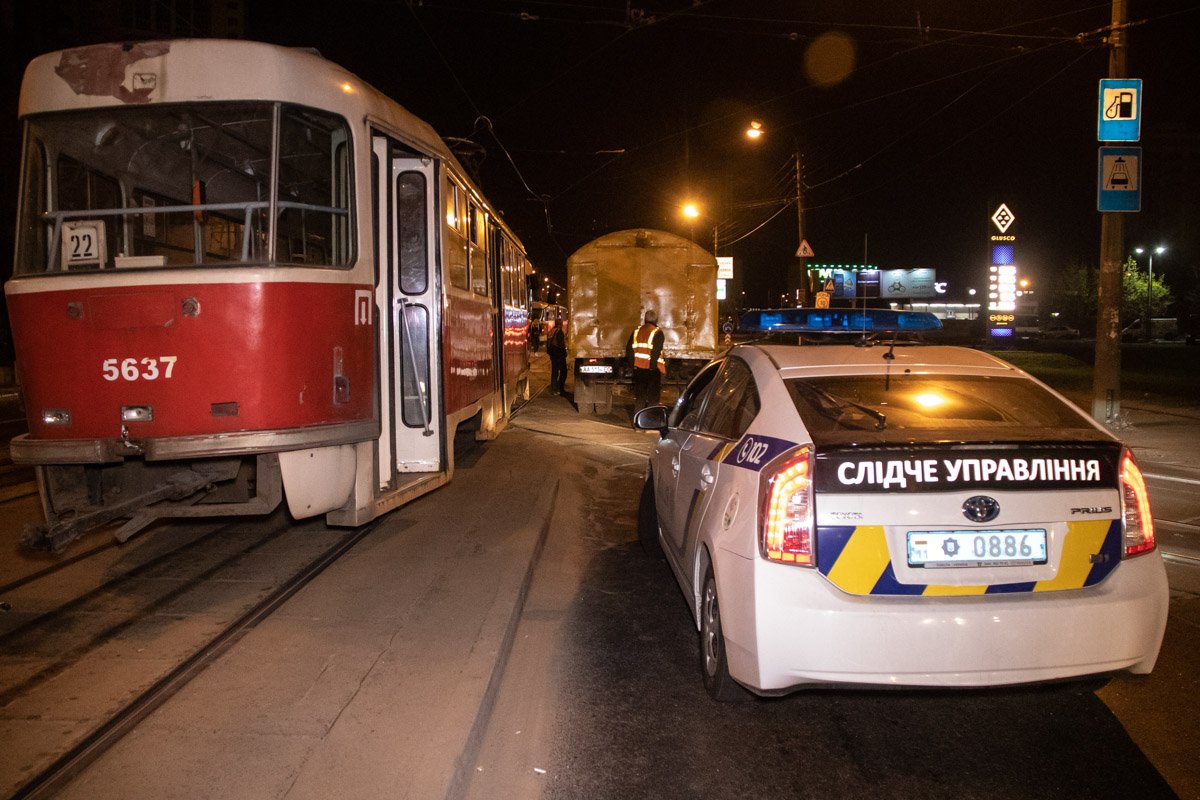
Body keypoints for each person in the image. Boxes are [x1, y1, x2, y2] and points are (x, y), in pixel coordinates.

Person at [625, 309, 666, 420]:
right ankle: (651, 422)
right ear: (656, 320)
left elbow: (629, 350)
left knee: (640, 397)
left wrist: (633, 364)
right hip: (652, 370)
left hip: (639, 369)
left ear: (645, 319)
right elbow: (656, 351)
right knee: (653, 397)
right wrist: (652, 367)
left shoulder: (636, 332)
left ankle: (637, 422)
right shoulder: (657, 333)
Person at [546, 318, 568, 395]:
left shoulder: (551, 331)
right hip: (559, 354)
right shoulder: (559, 332)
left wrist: (550, 353)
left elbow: (547, 343)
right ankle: (559, 388)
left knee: (555, 372)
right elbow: (561, 344)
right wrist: (565, 353)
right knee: (564, 372)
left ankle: (554, 388)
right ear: (560, 324)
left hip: (553, 354)